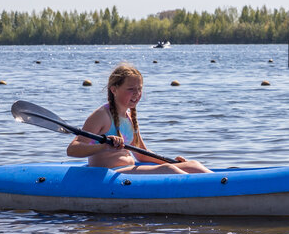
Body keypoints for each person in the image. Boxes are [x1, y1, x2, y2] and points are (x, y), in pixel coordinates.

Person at [67, 63, 211, 174]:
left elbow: (142, 154)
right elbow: (72, 150)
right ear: (114, 89)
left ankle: (223, 185)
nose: (136, 93)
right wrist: (104, 146)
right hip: (109, 174)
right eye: (131, 89)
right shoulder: (101, 115)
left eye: (139, 89)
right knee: (168, 170)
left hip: (130, 169)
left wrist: (171, 161)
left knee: (193, 165)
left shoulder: (130, 117)